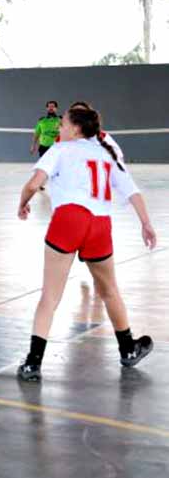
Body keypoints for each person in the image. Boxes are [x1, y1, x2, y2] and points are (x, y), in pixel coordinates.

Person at [15, 105, 156, 382]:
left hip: (69, 220)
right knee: (110, 291)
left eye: (64, 124)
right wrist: (146, 223)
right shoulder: (106, 153)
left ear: (77, 129)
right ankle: (128, 348)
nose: (59, 128)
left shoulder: (59, 150)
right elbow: (131, 191)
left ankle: (33, 363)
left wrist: (23, 204)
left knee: (50, 296)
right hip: (100, 225)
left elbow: (34, 184)